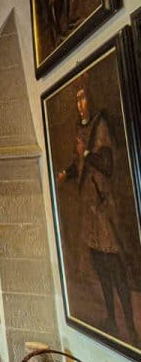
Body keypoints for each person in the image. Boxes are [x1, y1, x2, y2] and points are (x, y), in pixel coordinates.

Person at [57, 79, 138, 343]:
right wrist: (66, 172)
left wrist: (87, 151)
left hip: (103, 207)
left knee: (114, 266)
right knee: (101, 266)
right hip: (89, 209)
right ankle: (112, 319)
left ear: (91, 99)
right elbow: (78, 164)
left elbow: (106, 164)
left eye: (83, 98)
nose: (81, 105)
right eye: (77, 100)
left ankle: (130, 324)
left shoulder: (100, 126)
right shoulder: (81, 130)